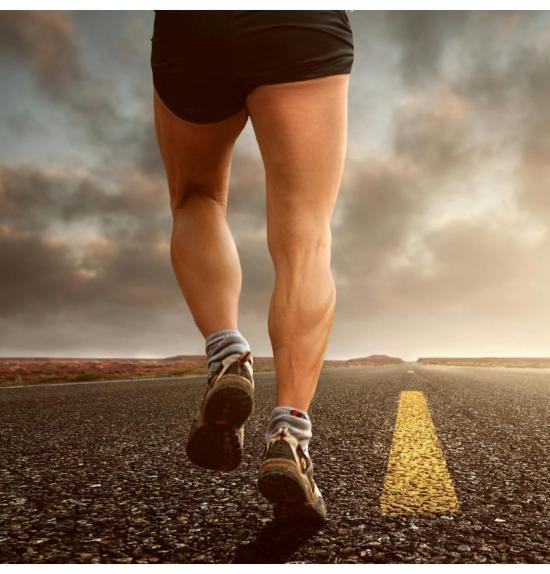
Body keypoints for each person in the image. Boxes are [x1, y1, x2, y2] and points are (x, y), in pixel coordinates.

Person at [150, 10, 354, 527]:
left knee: (197, 197)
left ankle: (227, 353)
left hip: (191, 26)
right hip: (299, 28)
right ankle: (289, 437)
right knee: (306, 237)